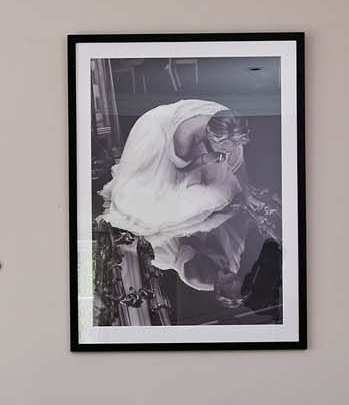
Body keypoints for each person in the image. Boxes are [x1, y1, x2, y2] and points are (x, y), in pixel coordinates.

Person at [98, 98, 269, 304]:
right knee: (146, 205)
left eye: (231, 280)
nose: (233, 273)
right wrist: (206, 159)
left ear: (218, 288)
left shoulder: (229, 125)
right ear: (213, 138)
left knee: (218, 191)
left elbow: (237, 163)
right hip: (160, 138)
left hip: (169, 253)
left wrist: (247, 194)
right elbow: (181, 168)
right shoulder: (185, 134)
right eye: (234, 277)